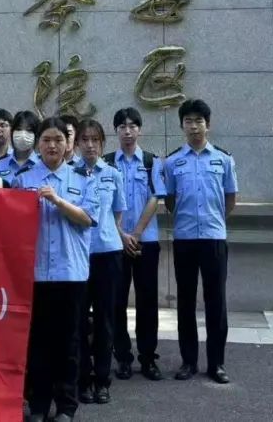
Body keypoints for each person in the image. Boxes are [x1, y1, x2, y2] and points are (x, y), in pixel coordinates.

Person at [14, 117, 100, 422]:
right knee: (37, 342)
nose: (52, 145)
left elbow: (87, 218)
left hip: (70, 273)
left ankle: (66, 406)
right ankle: (38, 404)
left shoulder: (83, 178)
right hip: (35, 273)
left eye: (58, 140)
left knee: (70, 342)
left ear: (68, 144)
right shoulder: (23, 180)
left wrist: (57, 200)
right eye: (46, 140)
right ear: (38, 144)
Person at [163, 99, 238, 384]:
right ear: (182, 126)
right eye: (188, 121)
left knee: (216, 302)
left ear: (208, 124)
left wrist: (213, 220)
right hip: (184, 239)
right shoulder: (172, 162)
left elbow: (230, 198)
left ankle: (216, 363)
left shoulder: (223, 159)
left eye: (198, 121)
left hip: (213, 238)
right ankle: (188, 361)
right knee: (185, 301)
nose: (193, 126)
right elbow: (170, 201)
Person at [107, 107, 166, 381]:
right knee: (116, 302)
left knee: (147, 301)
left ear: (139, 130)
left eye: (132, 126)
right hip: (115, 243)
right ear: (116, 131)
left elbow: (156, 198)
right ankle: (122, 357)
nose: (127, 131)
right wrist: (121, 234)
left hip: (146, 242)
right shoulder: (107, 163)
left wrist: (137, 233)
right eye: (122, 126)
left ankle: (148, 357)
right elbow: (104, 204)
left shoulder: (152, 162)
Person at [75, 118, 126, 406]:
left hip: (108, 253)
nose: (90, 145)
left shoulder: (113, 174)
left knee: (106, 319)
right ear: (77, 144)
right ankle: (83, 379)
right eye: (85, 139)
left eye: (95, 140)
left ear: (103, 144)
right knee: (79, 320)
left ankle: (102, 380)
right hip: (78, 255)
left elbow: (117, 214)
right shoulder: (69, 174)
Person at [0, 110, 39, 183]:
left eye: (29, 130)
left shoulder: (44, 165)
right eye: (19, 129)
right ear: (12, 132)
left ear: (36, 135)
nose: (23, 134)